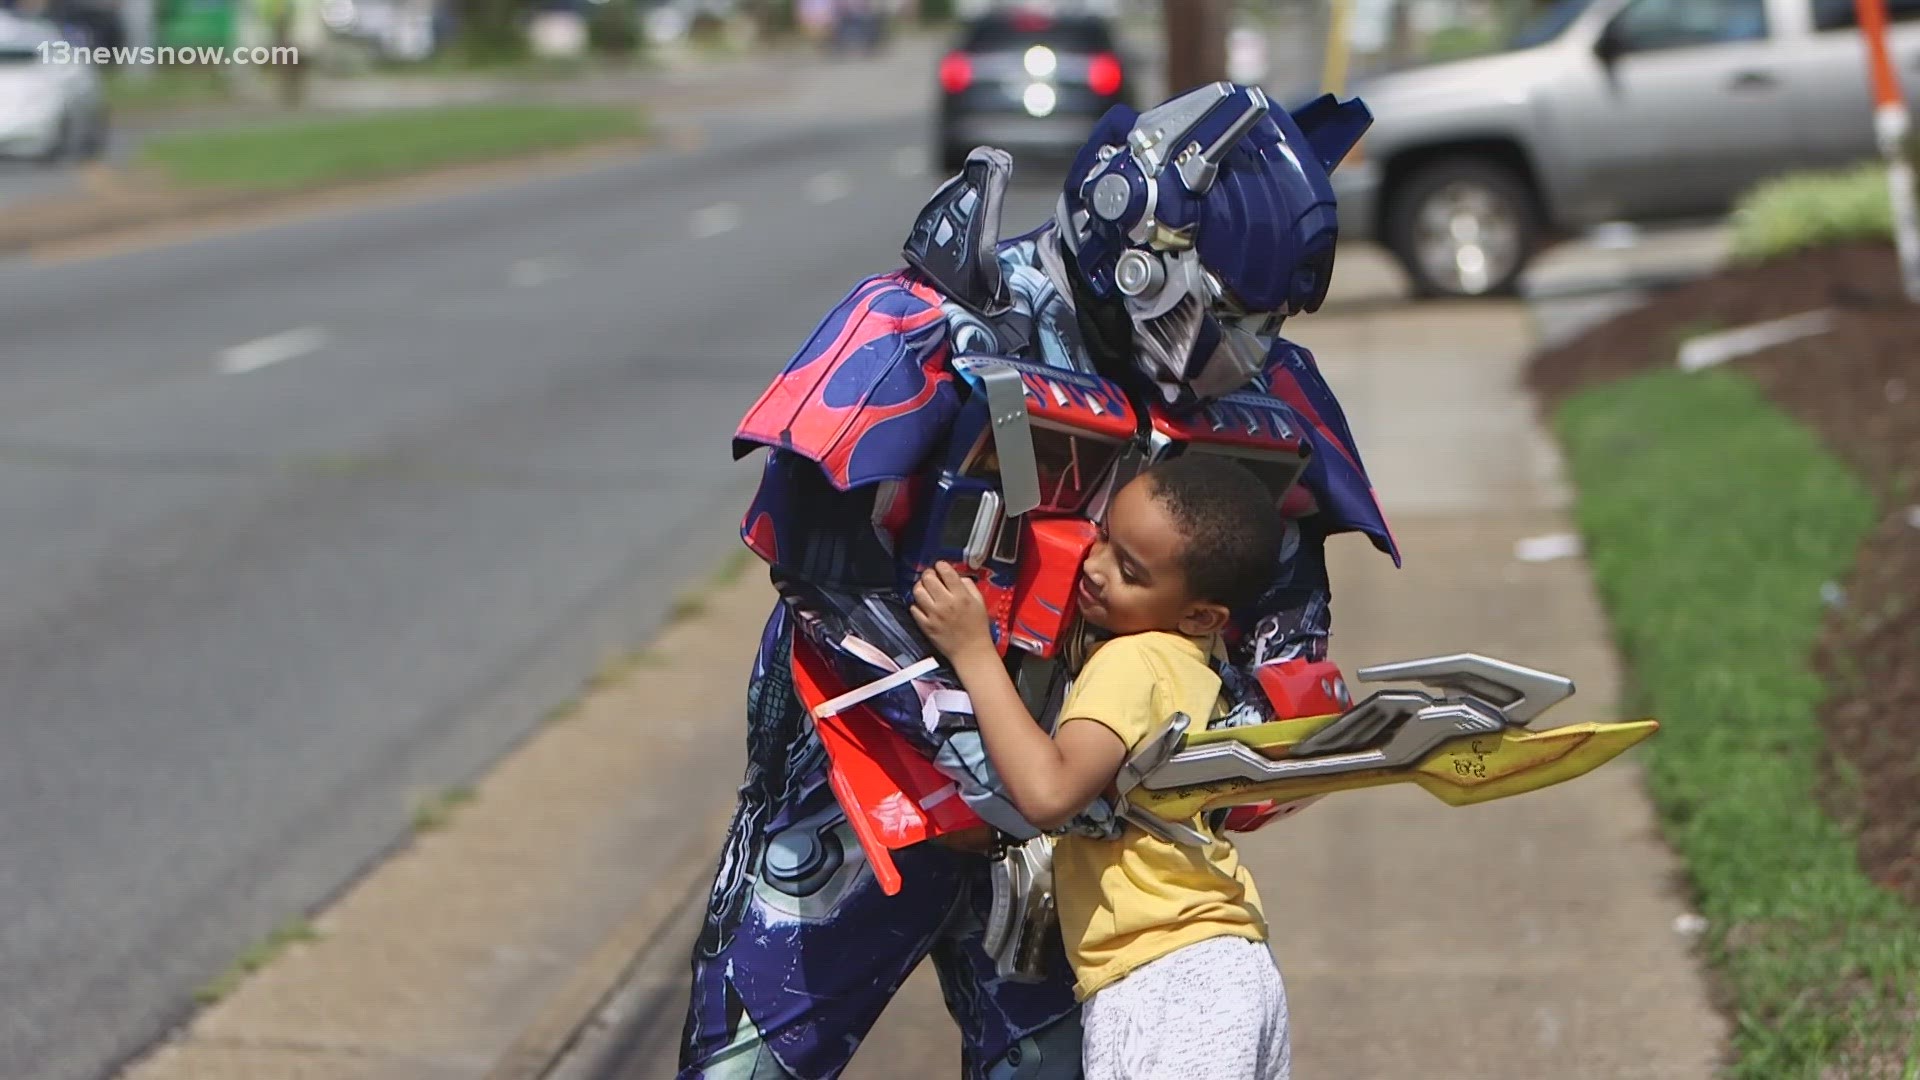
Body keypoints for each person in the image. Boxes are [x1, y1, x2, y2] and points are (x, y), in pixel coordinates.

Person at [677, 82, 1395, 1080]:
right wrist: (973, 742)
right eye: (1229, 316)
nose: (1246, 352)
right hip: (868, 790)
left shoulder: (1256, 395)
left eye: (1264, 320)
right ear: (1142, 249)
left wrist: (1262, 734)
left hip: (1076, 830)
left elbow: (1276, 614)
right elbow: (821, 576)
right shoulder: (945, 320)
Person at [909, 454, 1293, 1080]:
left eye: (1129, 571)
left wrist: (972, 651)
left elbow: (1050, 791)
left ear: (1200, 614)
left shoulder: (1132, 662)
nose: (1093, 567)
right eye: (1106, 537)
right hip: (1234, 963)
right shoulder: (1198, 665)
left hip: (1164, 982)